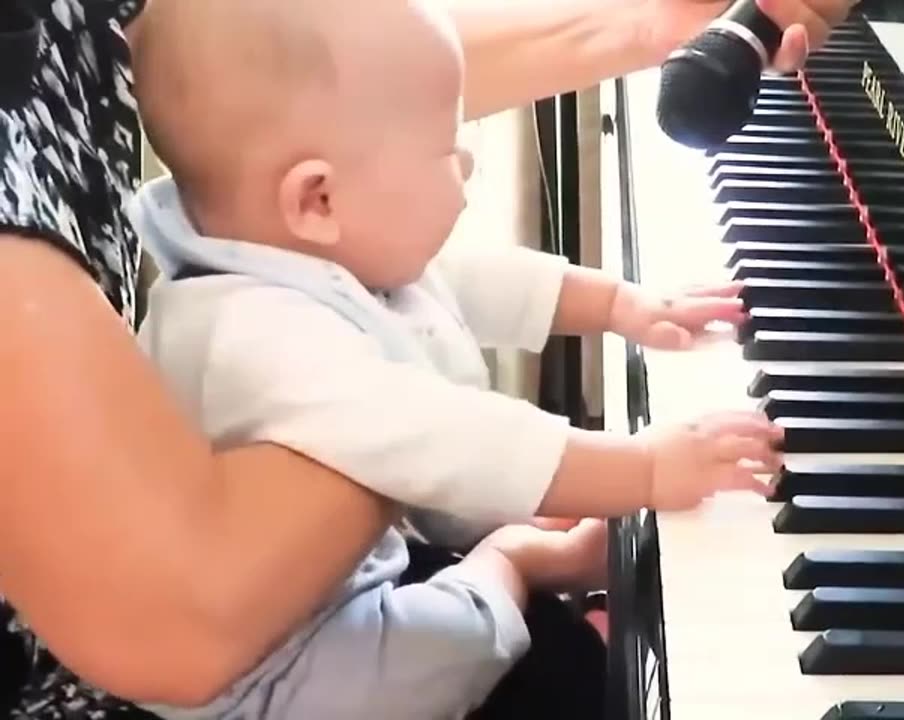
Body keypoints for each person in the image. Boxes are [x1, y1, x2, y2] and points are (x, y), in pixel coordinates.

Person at [0, 0, 858, 717]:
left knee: (550, 650)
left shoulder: (284, 246)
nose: (469, 158)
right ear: (319, 198)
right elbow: (447, 439)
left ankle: (537, 578)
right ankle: (513, 567)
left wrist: (621, 304)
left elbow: (455, 280)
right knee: (479, 653)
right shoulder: (256, 333)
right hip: (280, 675)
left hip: (324, 584)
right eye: (447, 146)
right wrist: (646, 468)